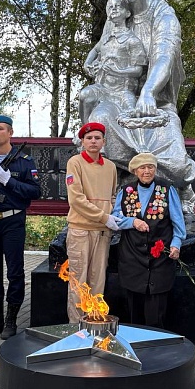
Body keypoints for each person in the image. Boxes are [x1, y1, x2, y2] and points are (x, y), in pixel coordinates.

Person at [86, 0, 195, 213]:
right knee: (99, 119)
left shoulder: (163, 14)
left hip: (154, 105)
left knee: (177, 165)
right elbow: (102, 50)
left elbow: (163, 56)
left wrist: (148, 91)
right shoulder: (116, 15)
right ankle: (119, 187)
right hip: (118, 98)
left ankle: (180, 187)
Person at [0, 115, 40, 340]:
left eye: (0, 128)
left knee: (14, 272)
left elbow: (35, 191)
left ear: (10, 132)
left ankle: (11, 320)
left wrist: (8, 181)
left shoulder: (23, 161)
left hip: (12, 221)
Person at [110, 153, 185, 328]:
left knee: (156, 313)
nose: (147, 171)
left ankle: (155, 349)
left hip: (160, 260)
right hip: (132, 258)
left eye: (150, 167)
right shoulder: (126, 191)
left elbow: (178, 222)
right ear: (135, 171)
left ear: (155, 169)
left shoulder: (167, 189)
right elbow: (115, 218)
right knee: (134, 313)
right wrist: (133, 222)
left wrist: (176, 244)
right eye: (142, 168)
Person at [65, 122, 120, 323]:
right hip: (80, 230)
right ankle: (76, 328)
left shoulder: (111, 167)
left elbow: (113, 196)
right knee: (79, 283)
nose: (93, 141)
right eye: (89, 138)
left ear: (103, 142)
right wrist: (105, 217)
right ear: (82, 142)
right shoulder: (75, 163)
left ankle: (94, 324)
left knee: (98, 282)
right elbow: (76, 200)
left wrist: (114, 214)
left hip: (103, 233)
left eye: (97, 138)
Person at [79, 0, 147, 124]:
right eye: (110, 7)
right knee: (85, 95)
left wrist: (117, 71)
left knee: (131, 115)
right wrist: (87, 64)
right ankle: (85, 132)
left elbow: (138, 71)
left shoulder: (132, 41)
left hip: (123, 91)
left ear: (127, 13)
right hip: (102, 87)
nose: (113, 9)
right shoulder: (105, 38)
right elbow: (95, 50)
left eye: (118, 6)